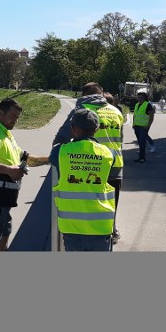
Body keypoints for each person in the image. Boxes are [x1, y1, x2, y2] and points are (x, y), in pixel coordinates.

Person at [0, 97, 49, 251]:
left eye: (17, 117)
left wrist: (51, 159)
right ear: (0, 113)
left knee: (4, 233)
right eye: (13, 116)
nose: (15, 120)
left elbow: (26, 159)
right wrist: (10, 170)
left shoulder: (6, 135)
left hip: (4, 199)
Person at [54, 83, 125, 243]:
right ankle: (110, 232)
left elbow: (61, 139)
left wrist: (60, 157)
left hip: (89, 164)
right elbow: (120, 140)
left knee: (87, 202)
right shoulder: (116, 112)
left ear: (84, 94)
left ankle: (85, 236)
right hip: (115, 165)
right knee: (110, 201)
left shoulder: (81, 110)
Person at [49, 109, 115, 251]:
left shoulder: (60, 152)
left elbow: (54, 152)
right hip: (100, 226)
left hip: (72, 227)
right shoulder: (108, 154)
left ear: (72, 128)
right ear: (96, 129)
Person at [132, 89, 155, 163]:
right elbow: (135, 115)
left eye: (141, 97)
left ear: (144, 98)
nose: (139, 98)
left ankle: (142, 157)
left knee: (142, 142)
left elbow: (151, 116)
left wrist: (148, 125)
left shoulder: (147, 105)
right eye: (138, 97)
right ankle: (140, 157)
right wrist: (133, 124)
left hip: (144, 127)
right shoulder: (136, 104)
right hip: (137, 126)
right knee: (140, 142)